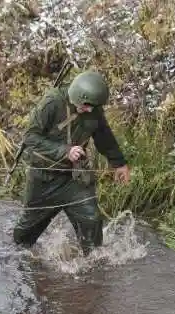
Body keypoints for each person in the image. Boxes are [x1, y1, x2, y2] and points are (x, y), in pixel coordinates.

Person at [12, 69, 130, 255]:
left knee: (91, 220)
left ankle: (94, 269)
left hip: (74, 178)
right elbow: (30, 137)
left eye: (93, 107)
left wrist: (119, 163)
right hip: (44, 178)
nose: (89, 110)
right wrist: (64, 151)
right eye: (86, 106)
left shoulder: (93, 107)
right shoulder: (52, 103)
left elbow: (103, 136)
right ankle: (20, 262)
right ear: (76, 96)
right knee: (25, 237)